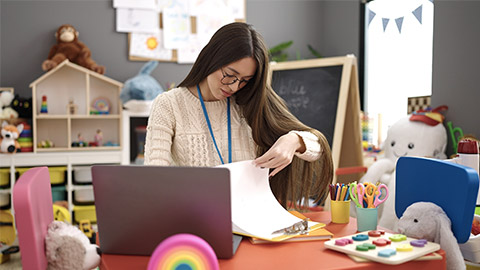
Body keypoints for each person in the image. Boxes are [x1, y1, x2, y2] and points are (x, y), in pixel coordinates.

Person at [144, 22, 333, 208]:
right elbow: (152, 179)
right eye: (229, 75)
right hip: (197, 216)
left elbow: (318, 148)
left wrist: (294, 140)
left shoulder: (250, 99)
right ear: (212, 59)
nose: (234, 87)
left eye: (244, 80)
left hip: (251, 217)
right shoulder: (169, 104)